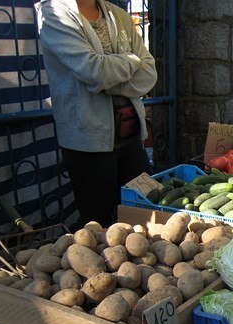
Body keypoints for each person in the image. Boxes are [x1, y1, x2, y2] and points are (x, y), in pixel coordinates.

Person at [36, 0, 157, 227]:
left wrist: (104, 81)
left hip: (130, 135)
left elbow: (149, 73)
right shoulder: (53, 13)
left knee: (146, 209)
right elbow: (94, 71)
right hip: (88, 141)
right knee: (97, 223)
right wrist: (132, 61)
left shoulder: (118, 15)